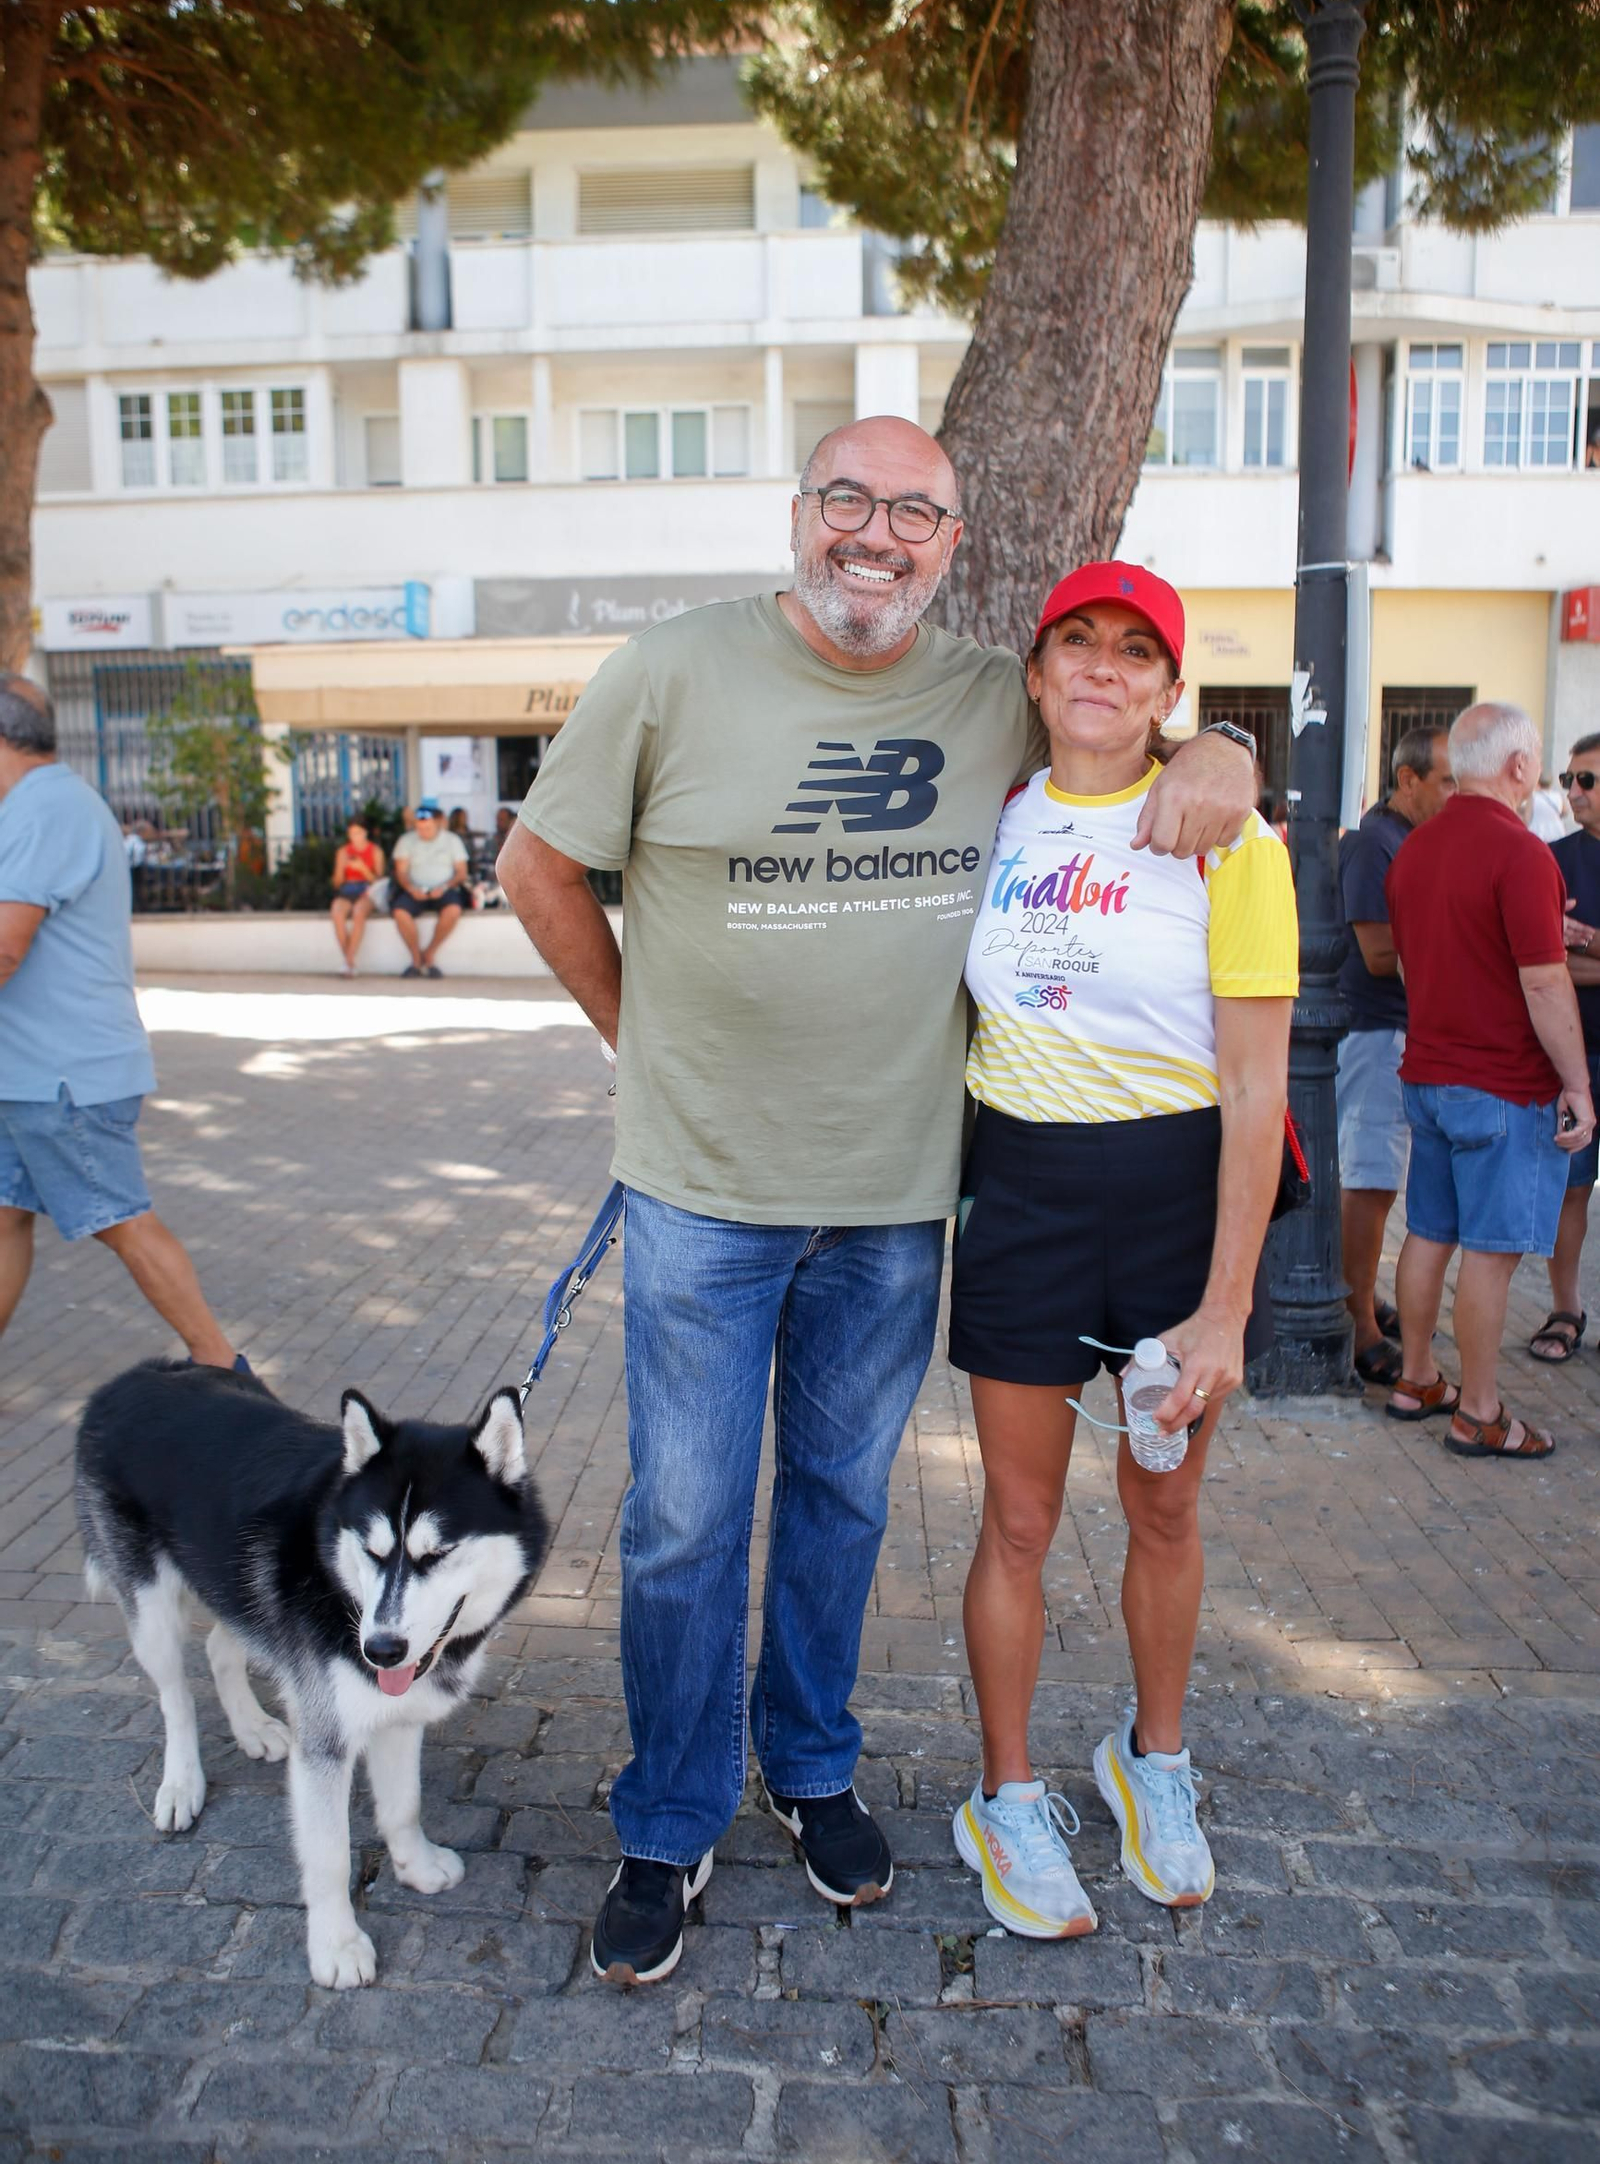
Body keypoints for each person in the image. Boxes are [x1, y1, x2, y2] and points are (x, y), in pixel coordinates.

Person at [497, 415, 1258, 1987]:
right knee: (685, 1522)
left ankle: (809, 1766)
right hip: (704, 1191)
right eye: (847, 498)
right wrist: (641, 1040)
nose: (876, 533)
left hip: (899, 1193)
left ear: (951, 545)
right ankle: (670, 1815)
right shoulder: (672, 670)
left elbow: (1122, 726)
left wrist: (1227, 749)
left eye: (915, 512)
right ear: (799, 515)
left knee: (844, 1506)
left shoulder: (986, 695)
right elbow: (536, 870)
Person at [948, 564, 1296, 1936]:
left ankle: (1153, 1762)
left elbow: (1257, 1089)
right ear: (1035, 675)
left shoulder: (1232, 840)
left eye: (1136, 651)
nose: (1102, 666)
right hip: (1023, 1195)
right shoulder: (989, 814)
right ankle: (1006, 1795)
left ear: (1168, 691)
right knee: (1019, 1523)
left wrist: (1226, 1308)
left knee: (1162, 1510)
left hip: (1173, 1203)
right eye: (1077, 642)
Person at [0, 678, 246, 1371]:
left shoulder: (43, 809)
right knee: (6, 1215)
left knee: (121, 1222)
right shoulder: (43, 804)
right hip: (30, 1072)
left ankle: (224, 1368)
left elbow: (5, 946)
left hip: (62, 1076)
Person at [1384, 702, 1594, 1458]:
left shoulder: (1415, 849)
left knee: (1429, 1234)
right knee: (1492, 1253)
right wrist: (1578, 1085)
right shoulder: (1522, 853)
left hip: (1430, 1073)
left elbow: (1409, 963)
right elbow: (1544, 982)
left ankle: (1416, 1378)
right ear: (1518, 766)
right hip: (1504, 1081)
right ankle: (1479, 1412)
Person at [1335, 728, 1455, 1386]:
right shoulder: (1374, 842)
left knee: (1376, 1183)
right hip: (1375, 1030)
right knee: (1371, 1183)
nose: (1456, 793)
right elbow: (1379, 952)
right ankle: (1359, 1327)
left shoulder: (1404, 839)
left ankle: (1363, 1302)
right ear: (1408, 779)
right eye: (1447, 780)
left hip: (1391, 1030)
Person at [1531, 734, 1600, 1361]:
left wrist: (1585, 945)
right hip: (1574, 1054)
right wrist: (1562, 953)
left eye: (1588, 781)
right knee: (1570, 1186)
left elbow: (1561, 957)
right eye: (1569, 779)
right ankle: (1565, 1309)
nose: (1574, 792)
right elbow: (1538, 964)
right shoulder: (1550, 861)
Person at [390, 800, 470, 978]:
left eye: (427, 828)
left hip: (445, 889)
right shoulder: (406, 840)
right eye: (419, 828)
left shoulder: (452, 840)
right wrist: (411, 889)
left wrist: (444, 887)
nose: (423, 832)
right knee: (400, 912)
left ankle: (429, 954)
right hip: (414, 889)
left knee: (453, 910)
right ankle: (416, 959)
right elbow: (401, 872)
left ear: (437, 823)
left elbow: (462, 872)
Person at [329, 817, 384, 978]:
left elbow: (379, 882)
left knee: (358, 912)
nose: (355, 837)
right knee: (337, 912)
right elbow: (337, 882)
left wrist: (363, 869)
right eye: (352, 833)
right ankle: (349, 961)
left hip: (367, 890)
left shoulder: (375, 851)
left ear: (365, 833)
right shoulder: (343, 852)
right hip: (347, 889)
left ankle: (348, 962)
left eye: (358, 833)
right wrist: (342, 868)